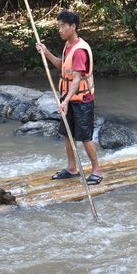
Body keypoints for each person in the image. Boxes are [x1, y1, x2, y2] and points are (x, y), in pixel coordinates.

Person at [35, 10, 103, 185]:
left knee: (85, 136)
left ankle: (97, 171)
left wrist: (64, 101)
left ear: (73, 27)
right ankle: (72, 168)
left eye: (62, 26)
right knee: (68, 134)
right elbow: (62, 66)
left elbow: (77, 79)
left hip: (81, 100)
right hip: (68, 97)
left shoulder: (80, 50)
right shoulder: (68, 46)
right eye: (58, 26)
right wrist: (46, 52)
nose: (60, 30)